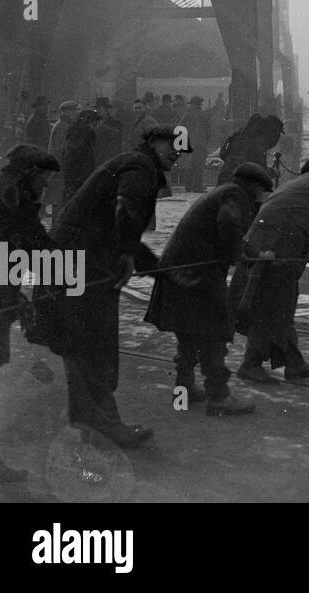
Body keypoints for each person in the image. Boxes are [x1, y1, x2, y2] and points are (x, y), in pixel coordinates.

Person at [48, 125, 188, 448]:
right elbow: (124, 209)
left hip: (74, 258)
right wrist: (127, 254)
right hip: (83, 262)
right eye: (171, 145)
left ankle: (94, 423)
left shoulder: (133, 163)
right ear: (153, 142)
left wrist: (154, 267)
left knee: (83, 341)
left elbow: (118, 222)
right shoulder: (140, 167)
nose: (176, 154)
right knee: (94, 342)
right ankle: (103, 425)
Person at [143, 163, 274, 416]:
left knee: (189, 332)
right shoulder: (235, 196)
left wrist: (256, 255)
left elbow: (234, 234)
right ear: (255, 187)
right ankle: (219, 397)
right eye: (261, 192)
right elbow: (229, 222)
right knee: (213, 332)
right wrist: (236, 255)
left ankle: (184, 388)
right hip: (197, 277)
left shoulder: (223, 192)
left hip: (179, 273)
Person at [229, 154, 309, 383]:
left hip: (263, 247)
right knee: (274, 307)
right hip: (278, 251)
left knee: (279, 306)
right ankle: (250, 364)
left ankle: (294, 364)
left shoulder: (293, 184)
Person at [0, 146, 60, 486]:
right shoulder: (12, 196)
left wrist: (17, 299)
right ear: (29, 173)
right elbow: (34, 245)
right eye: (43, 177)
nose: (46, 185)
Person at [217, 114, 284, 184]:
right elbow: (259, 171)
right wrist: (274, 172)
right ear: (272, 132)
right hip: (237, 184)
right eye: (277, 134)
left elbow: (223, 155)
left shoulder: (240, 135)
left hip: (226, 179)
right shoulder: (257, 142)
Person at [60, 109, 101, 205]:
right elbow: (91, 156)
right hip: (83, 176)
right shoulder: (90, 133)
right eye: (95, 123)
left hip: (69, 175)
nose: (96, 126)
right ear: (90, 122)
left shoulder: (71, 131)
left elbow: (64, 152)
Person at [177, 97, 210, 193]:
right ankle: (197, 186)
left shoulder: (188, 115)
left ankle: (189, 185)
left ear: (193, 104)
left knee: (191, 165)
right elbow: (208, 130)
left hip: (191, 144)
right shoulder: (204, 115)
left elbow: (179, 127)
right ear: (199, 104)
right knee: (199, 166)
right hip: (201, 144)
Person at [94, 98, 123, 166]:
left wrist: (108, 129)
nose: (97, 111)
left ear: (106, 109)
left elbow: (120, 137)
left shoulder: (115, 123)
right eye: (96, 108)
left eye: (99, 108)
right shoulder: (93, 123)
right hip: (97, 159)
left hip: (109, 159)